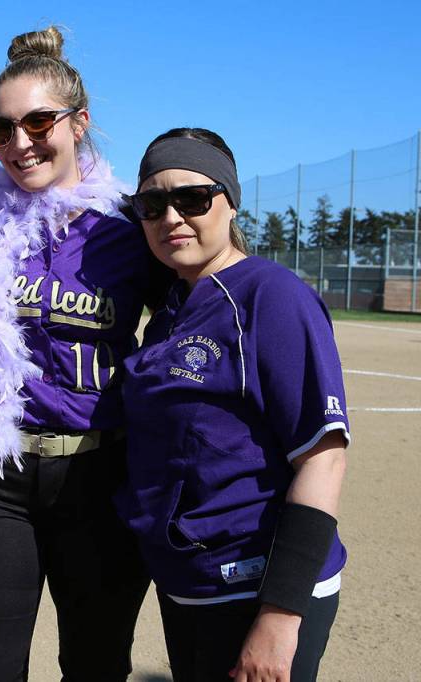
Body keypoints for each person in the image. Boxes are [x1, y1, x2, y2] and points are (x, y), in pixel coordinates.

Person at [0, 26, 160, 681]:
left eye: (37, 122)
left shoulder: (133, 224)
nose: (19, 142)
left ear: (78, 123)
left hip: (101, 478)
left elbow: (205, 299)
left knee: (95, 665)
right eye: (0, 129)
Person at [116, 127, 349, 682]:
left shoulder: (272, 295)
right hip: (190, 583)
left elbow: (324, 456)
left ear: (229, 200)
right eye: (152, 203)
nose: (171, 216)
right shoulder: (175, 307)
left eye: (192, 198)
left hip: (257, 584)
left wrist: (279, 615)